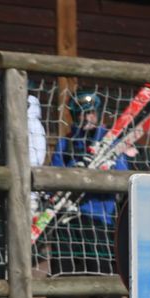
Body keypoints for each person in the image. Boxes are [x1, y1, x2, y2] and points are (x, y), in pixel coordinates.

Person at [47, 90, 129, 275]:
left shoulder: (110, 142)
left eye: (91, 112)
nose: (87, 118)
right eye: (82, 113)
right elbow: (53, 175)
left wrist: (103, 174)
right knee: (64, 266)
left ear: (97, 113)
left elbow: (123, 176)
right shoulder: (66, 142)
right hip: (68, 216)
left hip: (99, 216)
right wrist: (74, 174)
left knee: (100, 267)